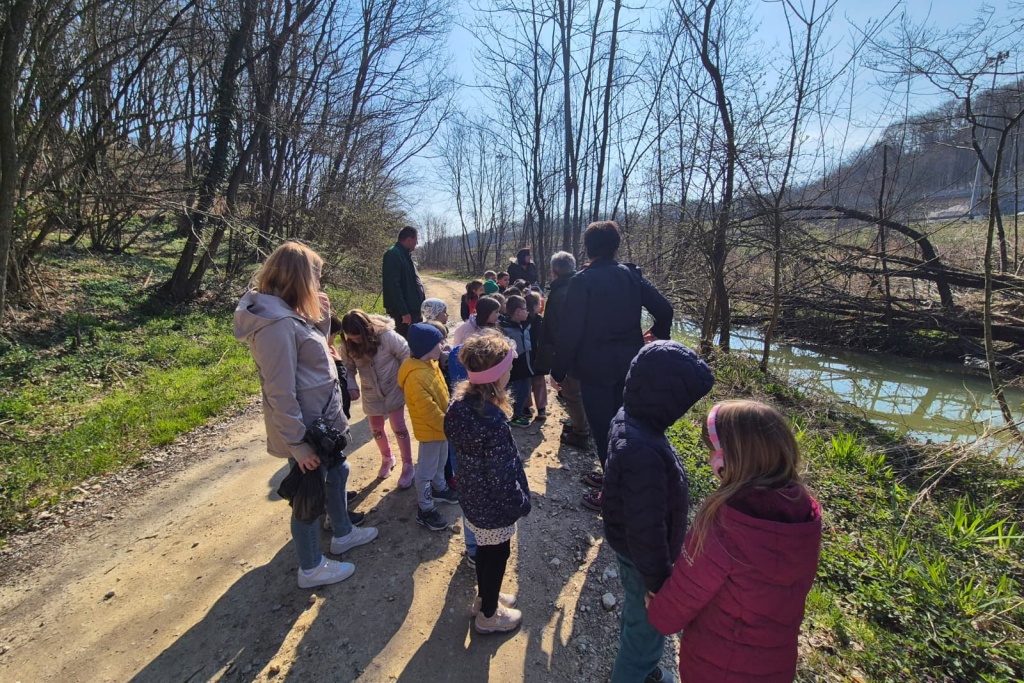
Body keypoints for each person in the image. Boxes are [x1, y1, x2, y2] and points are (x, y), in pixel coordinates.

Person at [233, 241, 378, 589]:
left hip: (323, 423)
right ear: (300, 278)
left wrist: (322, 319)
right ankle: (311, 568)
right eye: (316, 276)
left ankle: (343, 532)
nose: (319, 283)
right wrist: (297, 444)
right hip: (307, 430)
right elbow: (279, 390)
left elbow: (315, 356)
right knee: (307, 497)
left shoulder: (291, 314)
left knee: (339, 472)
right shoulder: (275, 324)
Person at [647, 400, 823, 683]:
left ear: (726, 463)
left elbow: (686, 593)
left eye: (712, 452)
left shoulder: (723, 523)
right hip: (777, 666)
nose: (709, 459)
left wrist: (658, 611)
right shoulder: (806, 514)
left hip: (716, 666)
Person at [602, 341, 715, 683]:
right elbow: (646, 529)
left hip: (633, 551)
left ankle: (645, 671)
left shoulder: (631, 418)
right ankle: (634, 673)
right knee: (646, 631)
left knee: (638, 618)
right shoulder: (643, 451)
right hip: (644, 560)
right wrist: (659, 583)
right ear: (665, 400)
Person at [550, 220, 673, 512]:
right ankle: (613, 477)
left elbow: (570, 331)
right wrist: (658, 333)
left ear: (588, 247)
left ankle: (613, 493)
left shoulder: (583, 280)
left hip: (595, 369)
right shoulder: (631, 275)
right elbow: (665, 309)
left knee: (606, 430)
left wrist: (557, 371)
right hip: (630, 365)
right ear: (615, 246)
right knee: (623, 425)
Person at [444, 332, 531, 634]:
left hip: (472, 497)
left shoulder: (458, 406)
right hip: (494, 507)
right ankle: (489, 616)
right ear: (497, 376)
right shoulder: (492, 422)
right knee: (498, 556)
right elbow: (501, 476)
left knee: (484, 551)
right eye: (508, 368)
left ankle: (484, 598)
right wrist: (519, 503)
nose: (511, 372)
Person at [339, 310, 414, 487]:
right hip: (370, 392)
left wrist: (403, 379)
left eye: (358, 338)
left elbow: (405, 353)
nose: (356, 341)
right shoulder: (348, 345)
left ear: (366, 330)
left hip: (393, 388)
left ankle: (408, 464)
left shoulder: (386, 335)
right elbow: (348, 367)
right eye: (352, 338)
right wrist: (351, 385)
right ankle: (387, 457)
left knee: (398, 426)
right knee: (376, 428)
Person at [398, 323, 458, 531]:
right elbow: (429, 411)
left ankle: (440, 488)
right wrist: (450, 426)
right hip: (431, 431)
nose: (442, 345)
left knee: (441, 462)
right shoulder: (415, 377)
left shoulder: (431, 365)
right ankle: (425, 508)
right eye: (439, 343)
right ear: (426, 348)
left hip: (442, 428)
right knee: (425, 471)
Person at [541, 251, 591, 451]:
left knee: (572, 394)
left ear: (554, 272)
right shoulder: (583, 285)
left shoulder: (561, 292)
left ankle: (581, 433)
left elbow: (559, 330)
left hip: (571, 351)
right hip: (590, 348)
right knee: (583, 392)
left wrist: (556, 361)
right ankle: (583, 424)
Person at [382, 226, 426, 338]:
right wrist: (404, 312)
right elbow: (394, 286)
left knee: (415, 341)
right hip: (403, 314)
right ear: (409, 240)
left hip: (412, 310)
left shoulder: (405, 255)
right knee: (404, 343)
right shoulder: (393, 255)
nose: (417, 243)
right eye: (416, 240)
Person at [499, 295, 533, 427]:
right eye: (525, 309)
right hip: (514, 367)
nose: (527, 312)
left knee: (525, 391)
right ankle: (512, 416)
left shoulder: (524, 324)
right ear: (518, 312)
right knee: (514, 391)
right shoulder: (505, 328)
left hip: (526, 365)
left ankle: (518, 413)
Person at [524, 292, 548, 421]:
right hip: (536, 355)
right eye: (539, 304)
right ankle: (540, 407)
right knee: (537, 382)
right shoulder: (539, 321)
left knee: (529, 381)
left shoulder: (537, 320)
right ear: (534, 306)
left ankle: (529, 407)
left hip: (529, 355)